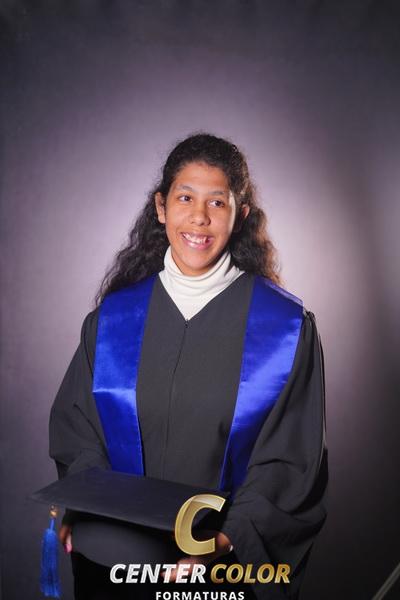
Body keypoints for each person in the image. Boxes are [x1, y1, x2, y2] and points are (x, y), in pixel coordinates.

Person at [48, 132, 328, 600]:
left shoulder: (284, 329)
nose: (199, 216)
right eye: (185, 198)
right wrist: (83, 502)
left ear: (240, 215)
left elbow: (289, 462)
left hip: (216, 567)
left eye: (217, 202)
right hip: (115, 564)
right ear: (161, 208)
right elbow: (80, 431)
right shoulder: (115, 320)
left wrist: (221, 542)